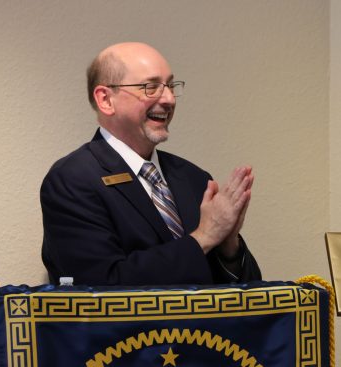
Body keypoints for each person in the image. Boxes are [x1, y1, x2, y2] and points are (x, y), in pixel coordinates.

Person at [41, 42, 262, 286]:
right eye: (151, 87)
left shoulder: (193, 177)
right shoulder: (72, 180)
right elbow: (98, 286)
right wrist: (204, 237)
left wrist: (228, 245)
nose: (168, 99)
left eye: (170, 86)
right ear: (106, 99)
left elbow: (248, 292)